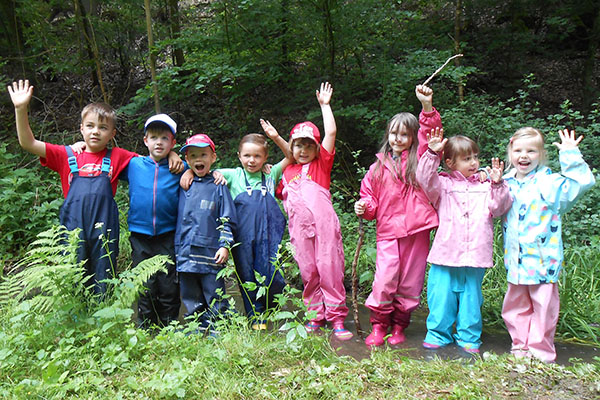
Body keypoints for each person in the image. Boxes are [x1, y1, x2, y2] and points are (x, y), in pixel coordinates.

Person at [8, 80, 140, 294]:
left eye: (103, 127)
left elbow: (151, 163)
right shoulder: (66, 154)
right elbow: (28, 143)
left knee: (104, 274)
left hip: (104, 227)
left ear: (112, 133)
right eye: (90, 126)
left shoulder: (118, 156)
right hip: (72, 226)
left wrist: (172, 155)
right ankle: (76, 318)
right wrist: (20, 109)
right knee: (73, 274)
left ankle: (104, 318)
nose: (95, 132)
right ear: (81, 128)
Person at [262, 82, 353, 340]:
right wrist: (276, 139)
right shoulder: (285, 173)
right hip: (300, 234)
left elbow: (331, 133)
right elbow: (278, 165)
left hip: (325, 231)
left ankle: (336, 318)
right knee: (309, 272)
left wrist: (325, 106)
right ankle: (315, 316)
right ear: (291, 149)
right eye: (298, 146)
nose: (303, 151)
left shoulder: (321, 166)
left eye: (308, 145)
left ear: (316, 148)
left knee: (330, 269)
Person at [354, 85, 441, 347]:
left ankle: (399, 326)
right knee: (384, 279)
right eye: (394, 133)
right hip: (388, 231)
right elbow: (369, 197)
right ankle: (379, 325)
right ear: (388, 135)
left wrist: (427, 107)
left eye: (405, 134)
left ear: (413, 137)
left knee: (410, 282)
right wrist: (364, 207)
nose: (398, 138)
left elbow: (429, 133)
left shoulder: (420, 159)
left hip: (417, 229)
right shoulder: (377, 167)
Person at [501, 127, 595, 363]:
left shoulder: (549, 182)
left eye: (531, 151)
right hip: (515, 259)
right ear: (510, 152)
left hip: (543, 260)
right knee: (515, 306)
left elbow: (581, 184)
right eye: (519, 150)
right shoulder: (505, 181)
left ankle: (540, 352)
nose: (524, 156)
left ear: (541, 154)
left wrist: (571, 155)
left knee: (543, 308)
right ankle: (520, 347)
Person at [416, 129, 512, 354]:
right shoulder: (442, 184)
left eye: (476, 157)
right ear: (450, 162)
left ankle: (469, 335)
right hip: (445, 254)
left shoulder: (486, 185)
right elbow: (424, 179)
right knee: (441, 297)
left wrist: (497, 184)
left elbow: (499, 208)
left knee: (470, 300)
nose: (474, 162)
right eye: (467, 158)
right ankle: (438, 333)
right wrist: (431, 153)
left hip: (474, 255)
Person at [217, 132, 292, 329]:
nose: (252, 160)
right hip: (243, 237)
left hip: (270, 236)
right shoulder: (234, 175)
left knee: (274, 275)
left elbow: (291, 156)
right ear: (239, 156)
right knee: (247, 275)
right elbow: (203, 169)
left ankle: (272, 310)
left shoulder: (271, 174)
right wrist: (194, 173)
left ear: (266, 158)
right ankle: (255, 315)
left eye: (257, 156)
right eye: (247, 155)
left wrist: (275, 137)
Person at [121, 114, 183, 328]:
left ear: (173, 143)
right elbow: (103, 154)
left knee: (168, 282)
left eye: (165, 138)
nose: (159, 142)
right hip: (140, 235)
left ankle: (169, 324)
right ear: (145, 140)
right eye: (154, 137)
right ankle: (145, 324)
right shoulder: (133, 164)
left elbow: (201, 169)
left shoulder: (179, 168)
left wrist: (177, 157)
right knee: (145, 281)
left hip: (168, 233)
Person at [175, 133, 237, 332]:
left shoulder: (219, 186)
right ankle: (195, 328)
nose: (198, 159)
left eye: (203, 155)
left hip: (211, 252)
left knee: (215, 293)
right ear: (187, 160)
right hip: (185, 252)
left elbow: (227, 218)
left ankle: (219, 328)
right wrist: (186, 172)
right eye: (193, 156)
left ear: (213, 157)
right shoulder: (184, 184)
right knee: (190, 294)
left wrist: (225, 245)